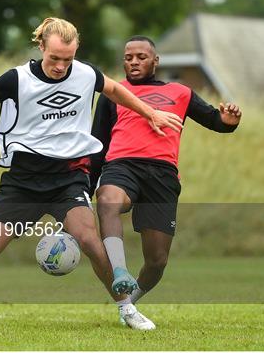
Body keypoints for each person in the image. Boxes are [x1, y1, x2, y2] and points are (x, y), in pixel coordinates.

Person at [0, 19, 183, 330]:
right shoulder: (17, 79)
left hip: (67, 179)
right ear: (41, 47)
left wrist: (150, 112)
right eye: (54, 58)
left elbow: (115, 90)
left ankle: (127, 310)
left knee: (91, 242)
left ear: (76, 52)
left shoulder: (86, 74)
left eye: (67, 59)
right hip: (22, 183)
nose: (60, 66)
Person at [90, 36, 242, 326]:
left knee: (157, 262)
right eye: (128, 57)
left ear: (155, 61)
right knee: (108, 200)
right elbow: (98, 144)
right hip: (121, 165)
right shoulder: (114, 93)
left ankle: (128, 305)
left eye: (141, 57)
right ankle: (119, 272)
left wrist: (229, 121)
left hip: (162, 175)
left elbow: (214, 120)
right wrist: (87, 186)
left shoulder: (181, 92)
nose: (134, 62)